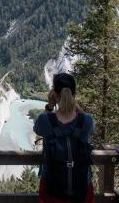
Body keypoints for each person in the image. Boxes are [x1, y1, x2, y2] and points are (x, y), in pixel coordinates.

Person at [34, 73, 95, 203]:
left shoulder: (45, 120)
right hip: (81, 191)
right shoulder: (87, 121)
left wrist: (50, 106)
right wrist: (73, 103)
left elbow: (37, 129)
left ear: (54, 94)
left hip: (51, 191)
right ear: (74, 94)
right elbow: (90, 127)